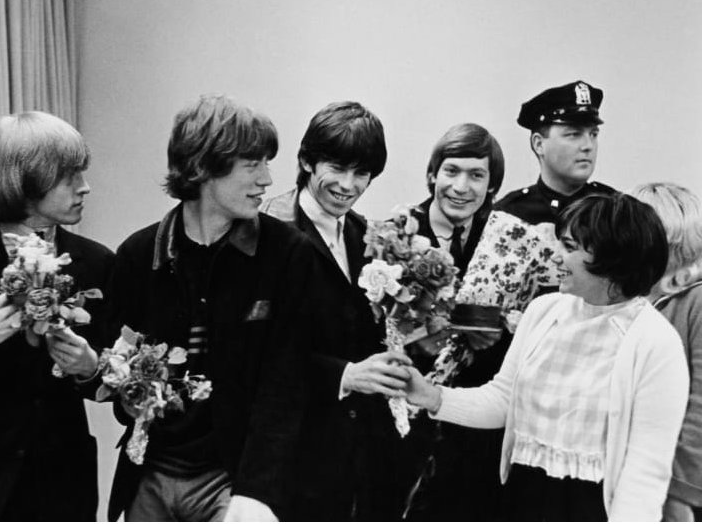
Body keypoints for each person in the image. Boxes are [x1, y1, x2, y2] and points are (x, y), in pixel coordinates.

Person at [400, 193, 690, 521]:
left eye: (569, 247)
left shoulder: (655, 342)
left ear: (611, 258)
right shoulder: (544, 310)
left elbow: (646, 470)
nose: (554, 255)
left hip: (594, 507)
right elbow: (502, 400)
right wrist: (430, 396)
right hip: (521, 495)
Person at [106, 94, 319, 522]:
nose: (267, 179)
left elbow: (287, 385)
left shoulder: (287, 254)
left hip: (234, 484)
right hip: (149, 477)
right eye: (252, 164)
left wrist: (256, 493)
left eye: (266, 163)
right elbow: (119, 374)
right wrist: (126, 398)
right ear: (204, 166)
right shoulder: (138, 255)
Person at [0, 111, 114, 521]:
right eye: (70, 177)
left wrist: (90, 367)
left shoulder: (97, 262)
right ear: (26, 181)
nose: (85, 187)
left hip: (64, 488)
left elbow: (111, 384)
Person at [261, 101, 413, 520]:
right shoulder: (267, 230)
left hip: (359, 459)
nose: (348, 185)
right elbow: (258, 352)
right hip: (291, 459)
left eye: (361, 173)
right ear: (307, 161)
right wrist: (343, 375)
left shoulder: (366, 235)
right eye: (338, 168)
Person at [402, 123, 508, 521]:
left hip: (477, 426)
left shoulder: (502, 239)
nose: (461, 187)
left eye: (476, 175)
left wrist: (496, 332)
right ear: (433, 174)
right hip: (409, 417)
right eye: (452, 171)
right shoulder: (399, 234)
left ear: (491, 186)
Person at [494, 80, 616, 296]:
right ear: (539, 144)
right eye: (573, 134)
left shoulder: (614, 210)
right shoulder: (510, 214)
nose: (588, 146)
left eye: (593, 134)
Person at [630, 182, 701, 522]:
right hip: (629, 474)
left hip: (676, 486)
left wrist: (679, 490)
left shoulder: (697, 300)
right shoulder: (628, 297)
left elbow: (700, 406)